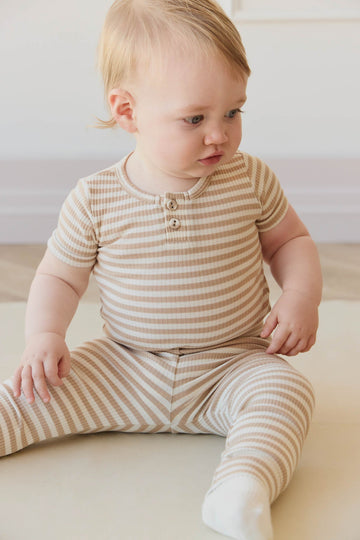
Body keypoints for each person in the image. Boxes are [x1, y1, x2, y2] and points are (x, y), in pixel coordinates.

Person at [0, 1, 322, 538]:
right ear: (127, 111)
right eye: (195, 118)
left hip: (231, 365)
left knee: (286, 393)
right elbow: (59, 276)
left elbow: (291, 240)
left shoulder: (249, 178)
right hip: (123, 369)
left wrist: (301, 295)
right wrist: (45, 335)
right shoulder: (96, 197)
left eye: (233, 112)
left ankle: (241, 488)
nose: (219, 134)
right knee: (32, 389)